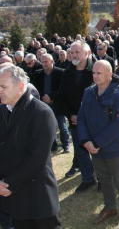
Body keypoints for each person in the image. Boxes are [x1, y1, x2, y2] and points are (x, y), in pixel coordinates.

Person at [0, 65, 61, 228]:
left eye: (3, 87)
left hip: (37, 196)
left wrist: (10, 184)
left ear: (20, 86)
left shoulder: (42, 113)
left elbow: (37, 158)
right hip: (12, 198)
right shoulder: (3, 111)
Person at [78, 61, 119, 224]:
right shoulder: (88, 92)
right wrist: (85, 140)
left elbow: (118, 124)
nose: (95, 76)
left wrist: (97, 142)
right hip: (95, 149)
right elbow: (81, 118)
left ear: (109, 75)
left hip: (114, 147)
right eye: (93, 73)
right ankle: (110, 207)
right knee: (104, 179)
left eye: (99, 73)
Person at [58, 41, 97, 190]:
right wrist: (70, 115)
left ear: (87, 53)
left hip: (94, 120)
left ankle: (101, 179)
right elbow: (61, 97)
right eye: (72, 52)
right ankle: (87, 179)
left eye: (77, 52)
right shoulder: (67, 73)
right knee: (81, 151)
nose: (74, 55)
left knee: (97, 150)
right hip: (75, 121)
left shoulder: (95, 70)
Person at [32, 53, 70, 153]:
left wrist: (51, 97)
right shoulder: (38, 73)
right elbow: (36, 88)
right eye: (42, 62)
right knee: (48, 126)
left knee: (62, 125)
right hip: (44, 103)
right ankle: (53, 145)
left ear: (52, 61)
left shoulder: (61, 72)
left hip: (57, 103)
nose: (44, 64)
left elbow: (63, 88)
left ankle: (65, 145)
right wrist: (43, 97)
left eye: (46, 62)